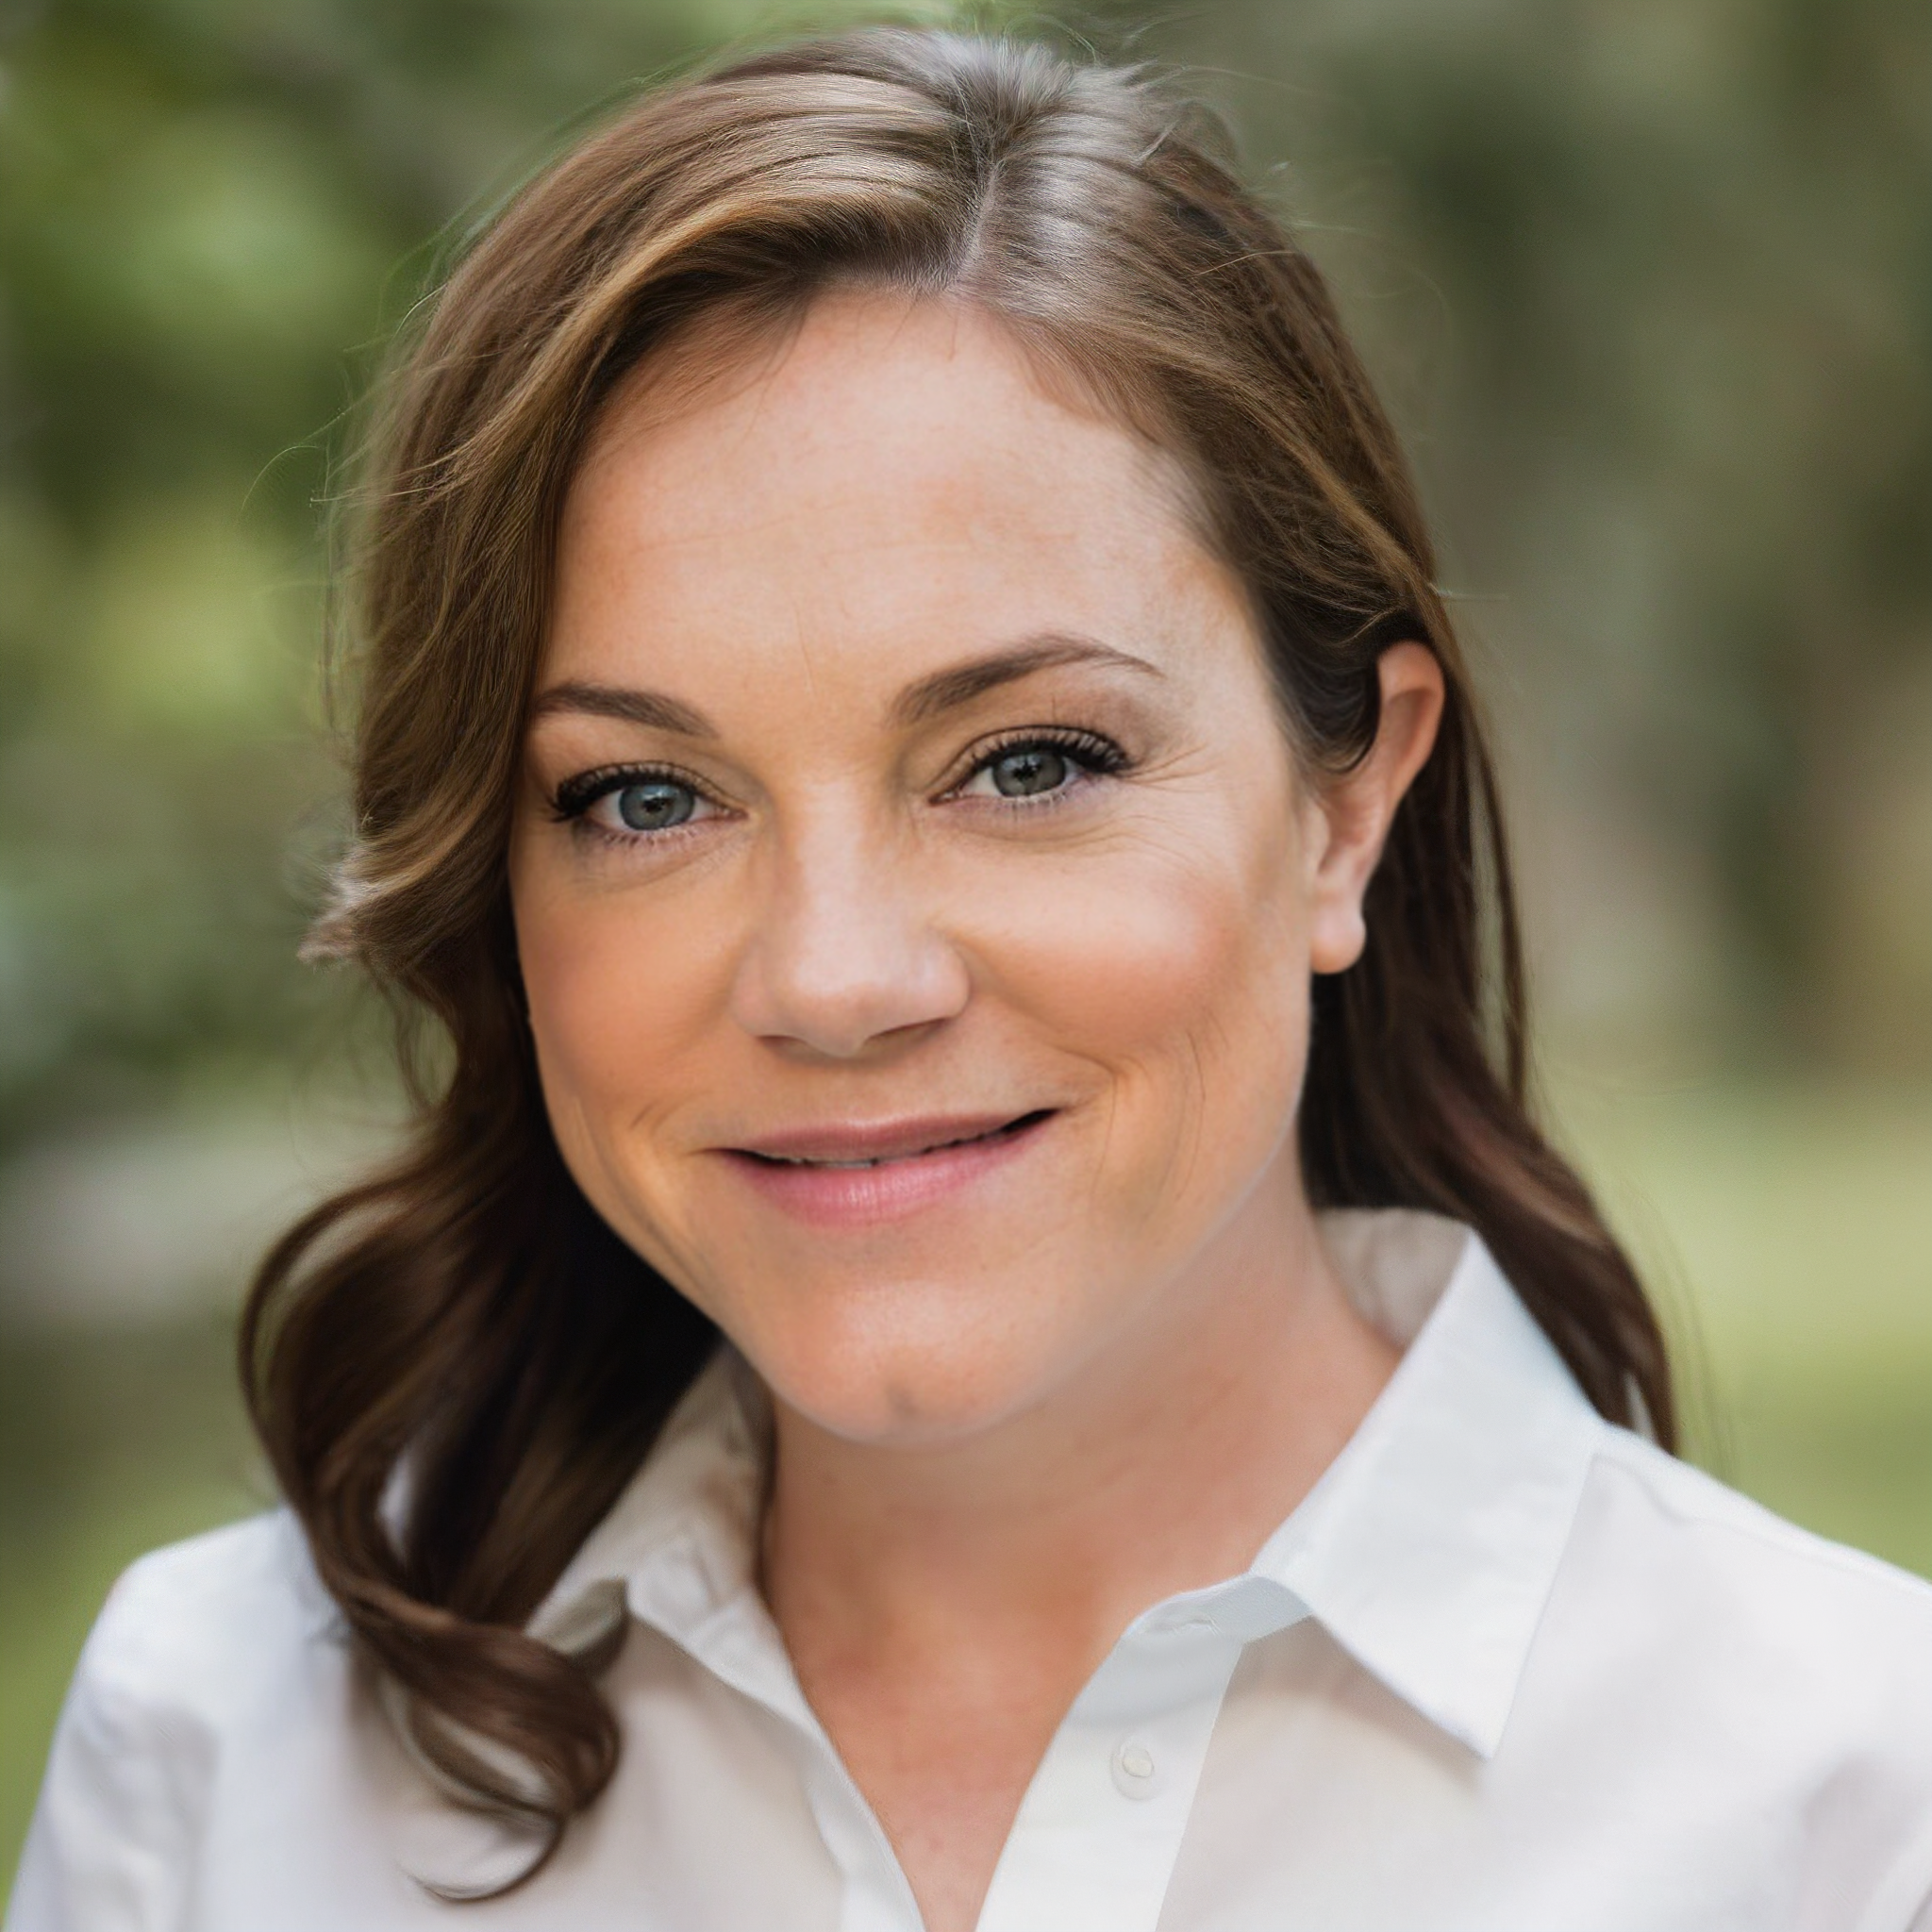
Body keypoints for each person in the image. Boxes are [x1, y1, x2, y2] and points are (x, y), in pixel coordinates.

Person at [9, 27, 1932, 1932]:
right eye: (648, 795)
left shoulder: (1848, 1805)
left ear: (1346, 807)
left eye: (1030, 763)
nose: (837, 979)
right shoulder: (224, 1752)